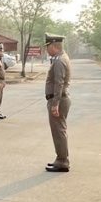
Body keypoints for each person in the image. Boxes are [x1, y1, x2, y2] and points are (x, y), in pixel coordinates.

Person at [44, 34, 71, 172]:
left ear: (54, 46)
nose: (47, 50)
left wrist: (55, 104)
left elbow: (59, 83)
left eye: (47, 47)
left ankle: (62, 161)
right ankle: (61, 158)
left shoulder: (60, 61)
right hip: (60, 99)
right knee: (59, 130)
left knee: (59, 131)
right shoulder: (61, 58)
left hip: (59, 100)